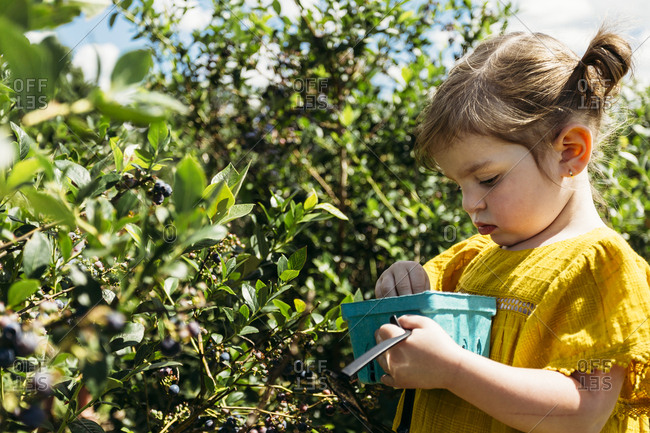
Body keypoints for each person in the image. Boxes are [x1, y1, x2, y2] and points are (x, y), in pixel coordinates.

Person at [373, 27, 650, 433]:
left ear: (570, 151)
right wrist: (401, 282)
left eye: (487, 180)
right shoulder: (470, 257)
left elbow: (583, 413)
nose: (470, 204)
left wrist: (452, 369)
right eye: (459, 186)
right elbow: (418, 313)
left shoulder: (600, 268)